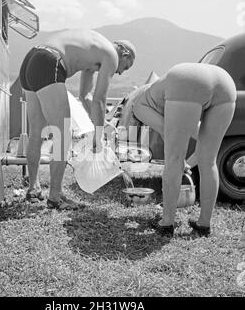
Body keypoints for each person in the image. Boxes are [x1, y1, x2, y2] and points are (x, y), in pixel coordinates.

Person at [19, 29, 136, 209]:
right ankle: (55, 198)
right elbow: (99, 99)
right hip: (50, 62)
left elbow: (85, 96)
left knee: (36, 132)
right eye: (126, 67)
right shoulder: (111, 56)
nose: (120, 72)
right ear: (125, 53)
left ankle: (33, 189)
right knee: (63, 135)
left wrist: (100, 124)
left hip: (32, 59)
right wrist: (98, 136)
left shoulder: (95, 49)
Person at [127, 62, 236, 236]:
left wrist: (182, 163)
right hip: (225, 82)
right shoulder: (159, 90)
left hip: (187, 79)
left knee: (173, 160)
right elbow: (200, 134)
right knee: (209, 161)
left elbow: (167, 133)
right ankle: (204, 224)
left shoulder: (138, 106)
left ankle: (166, 223)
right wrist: (189, 163)